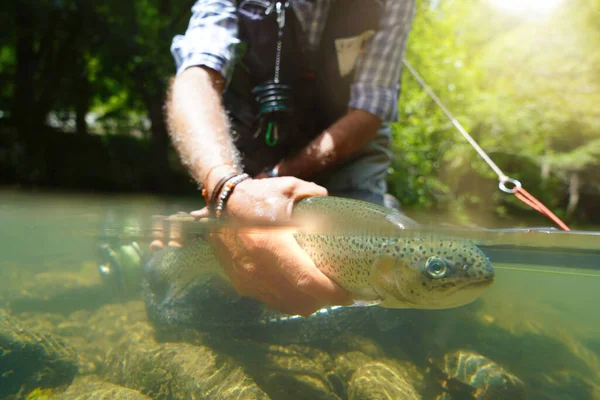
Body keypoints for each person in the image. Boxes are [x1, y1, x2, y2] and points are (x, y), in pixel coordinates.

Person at [164, 0, 416, 317]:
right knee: (215, 297)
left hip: (347, 155)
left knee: (373, 312)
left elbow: (369, 111)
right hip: (249, 148)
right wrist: (225, 188)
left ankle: (383, 206)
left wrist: (266, 183)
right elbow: (195, 77)